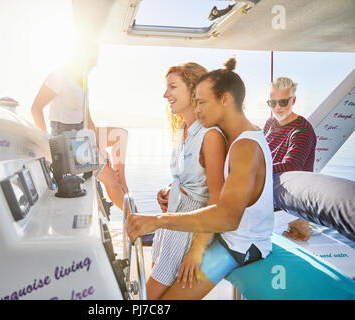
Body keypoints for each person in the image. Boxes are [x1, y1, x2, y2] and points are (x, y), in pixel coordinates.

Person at [125, 58, 274, 300]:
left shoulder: (245, 147)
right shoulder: (237, 138)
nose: (198, 108)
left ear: (225, 99)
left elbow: (227, 217)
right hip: (223, 235)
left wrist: (161, 222)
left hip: (239, 246)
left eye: (202, 102)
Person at [148, 62, 226, 300]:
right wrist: (170, 190)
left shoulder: (210, 135)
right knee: (151, 293)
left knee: (149, 297)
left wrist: (197, 249)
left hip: (191, 227)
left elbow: (216, 199)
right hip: (172, 218)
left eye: (172, 87)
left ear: (193, 90)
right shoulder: (183, 130)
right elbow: (189, 179)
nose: (165, 94)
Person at [31, 48, 129, 209]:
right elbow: (36, 108)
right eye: (93, 57)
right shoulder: (58, 77)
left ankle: (122, 179)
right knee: (110, 179)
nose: (95, 63)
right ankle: (138, 223)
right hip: (67, 139)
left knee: (121, 136)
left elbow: (88, 119)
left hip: (82, 135)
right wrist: (48, 145)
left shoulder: (82, 81)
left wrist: (99, 148)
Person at [264, 77, 317, 241]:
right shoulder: (270, 123)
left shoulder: (302, 129)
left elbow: (291, 164)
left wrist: (255, 169)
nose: (277, 108)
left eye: (283, 102)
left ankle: (300, 224)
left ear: (293, 100)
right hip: (268, 192)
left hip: (287, 203)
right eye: (272, 103)